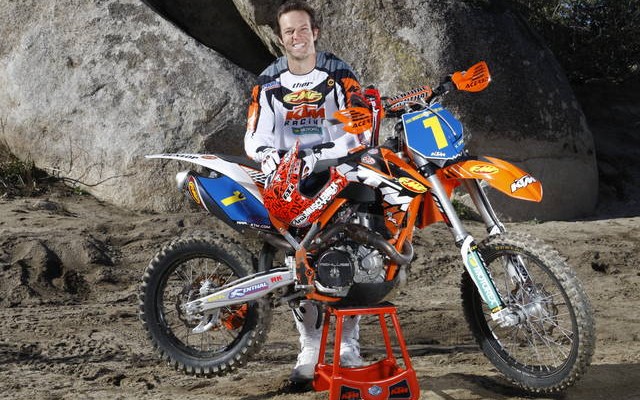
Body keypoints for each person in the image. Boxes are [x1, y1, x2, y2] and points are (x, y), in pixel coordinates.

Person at [244, 0, 366, 386]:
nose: (297, 37)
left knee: (351, 255)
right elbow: (254, 136)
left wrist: (323, 156)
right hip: (290, 183)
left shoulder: (340, 74)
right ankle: (310, 347)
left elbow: (359, 127)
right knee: (297, 265)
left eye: (302, 29)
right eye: (289, 32)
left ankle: (347, 345)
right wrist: (269, 158)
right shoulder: (268, 82)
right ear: (281, 39)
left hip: (338, 176)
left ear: (315, 32)